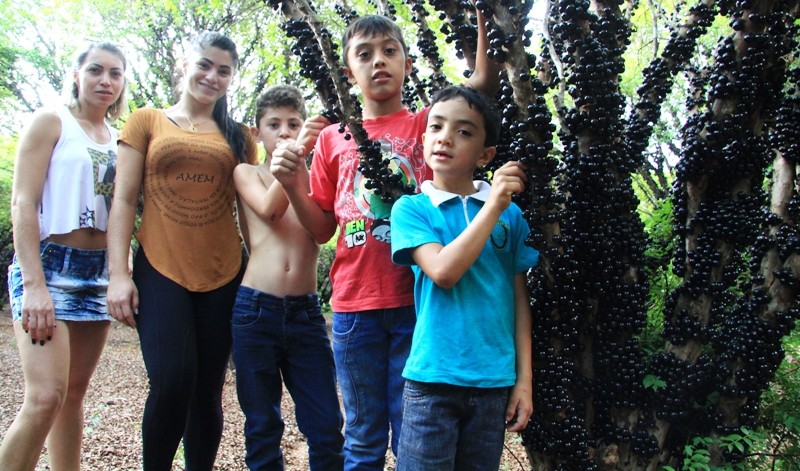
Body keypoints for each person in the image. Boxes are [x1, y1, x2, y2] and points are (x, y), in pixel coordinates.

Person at [270, 12, 501, 470]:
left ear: (408, 64)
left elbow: (480, 83)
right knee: (362, 435)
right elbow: (320, 230)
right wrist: (294, 183)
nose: (379, 62)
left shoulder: (426, 125)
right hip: (355, 306)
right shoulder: (336, 139)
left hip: (418, 302)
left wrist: (480, 15)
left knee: (411, 430)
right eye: (365, 54)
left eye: (389, 51)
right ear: (346, 73)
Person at [105, 31, 257, 470]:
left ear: (231, 79)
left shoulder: (240, 136)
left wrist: (261, 273)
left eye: (223, 70)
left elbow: (250, 214)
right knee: (172, 381)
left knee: (207, 390)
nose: (212, 76)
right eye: (204, 65)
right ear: (184, 65)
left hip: (226, 272)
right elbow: (123, 199)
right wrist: (118, 274)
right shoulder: (146, 120)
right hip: (159, 267)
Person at [390, 85, 538, 471]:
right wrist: (493, 206)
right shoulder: (411, 209)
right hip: (432, 381)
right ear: (423, 139)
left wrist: (524, 380)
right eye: (436, 126)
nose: (445, 137)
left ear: (486, 155)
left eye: (464, 131)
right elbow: (443, 271)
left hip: (492, 383)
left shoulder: (511, 215)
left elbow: (518, 299)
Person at [1, 41, 128, 470]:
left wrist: (119, 274)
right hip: (48, 266)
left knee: (73, 396)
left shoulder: (119, 138)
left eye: (115, 73)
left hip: (98, 273)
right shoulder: (50, 122)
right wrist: (34, 285)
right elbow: (22, 203)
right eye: (96, 70)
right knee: (45, 397)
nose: (105, 80)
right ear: (77, 75)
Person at [231, 85, 344, 470]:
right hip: (254, 311)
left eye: (294, 124)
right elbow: (269, 210)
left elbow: (322, 231)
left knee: (327, 424)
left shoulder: (318, 178)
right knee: (262, 425)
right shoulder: (246, 173)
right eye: (273, 124)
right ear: (257, 132)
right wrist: (293, 160)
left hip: (306, 314)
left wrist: (303, 166)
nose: (284, 132)